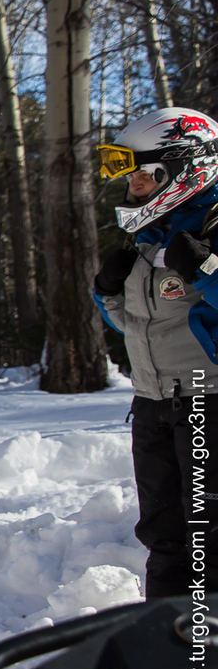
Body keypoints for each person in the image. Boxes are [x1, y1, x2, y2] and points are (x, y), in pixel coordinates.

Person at [94, 107, 218, 598]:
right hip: (152, 405)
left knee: (209, 540)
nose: (133, 189)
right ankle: (165, 654)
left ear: (183, 170)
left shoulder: (210, 228)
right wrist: (107, 294)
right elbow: (135, 326)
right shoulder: (149, 239)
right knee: (165, 539)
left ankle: (206, 664)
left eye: (142, 178)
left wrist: (207, 270)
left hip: (207, 402)